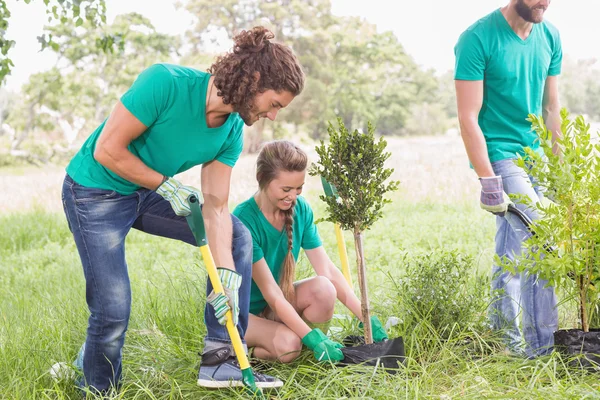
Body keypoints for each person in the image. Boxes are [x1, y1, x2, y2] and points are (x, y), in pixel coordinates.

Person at [60, 26, 304, 394]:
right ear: (255, 79)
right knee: (113, 308)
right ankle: (97, 389)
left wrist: (224, 274)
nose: (272, 116)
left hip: (146, 190)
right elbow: (107, 150)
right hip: (95, 191)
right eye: (274, 103)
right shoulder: (165, 83)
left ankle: (220, 359)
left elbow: (218, 208)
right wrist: (164, 184)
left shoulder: (232, 130)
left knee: (237, 235)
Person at [454, 0, 561, 357]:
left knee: (516, 246)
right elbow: (468, 117)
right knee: (540, 234)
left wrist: (559, 169)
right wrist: (488, 180)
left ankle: (501, 339)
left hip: (537, 154)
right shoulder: (477, 38)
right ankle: (541, 348)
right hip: (500, 153)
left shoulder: (550, 37)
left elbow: (551, 108)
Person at [232, 140, 388, 364]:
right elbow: (273, 295)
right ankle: (249, 352)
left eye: (298, 188)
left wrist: (365, 317)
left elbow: (327, 271)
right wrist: (311, 337)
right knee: (289, 346)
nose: (293, 196)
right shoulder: (245, 220)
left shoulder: (300, 209)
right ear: (262, 179)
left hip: (273, 308)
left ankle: (304, 347)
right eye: (286, 189)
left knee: (324, 288)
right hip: (243, 315)